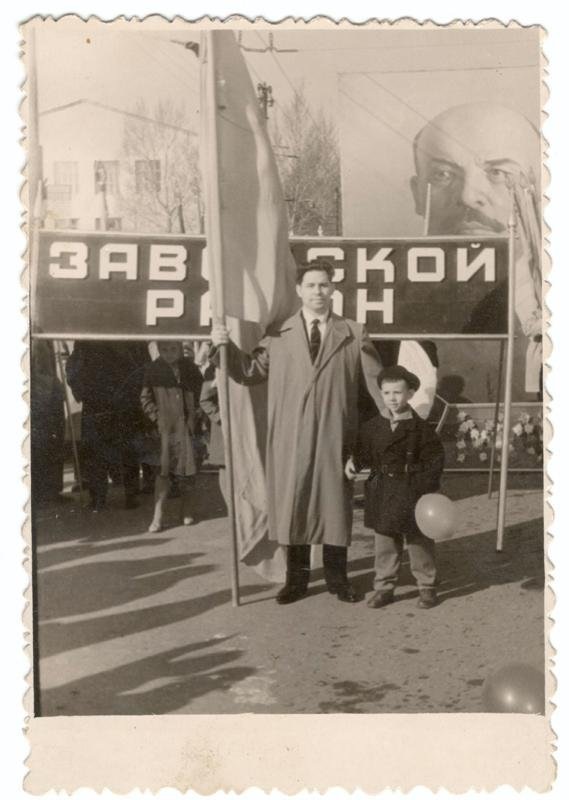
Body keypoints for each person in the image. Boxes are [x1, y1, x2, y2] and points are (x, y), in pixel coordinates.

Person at [210, 261, 383, 605]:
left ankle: (338, 579)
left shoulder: (353, 332)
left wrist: (386, 430)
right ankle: (296, 581)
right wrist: (223, 347)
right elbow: (249, 372)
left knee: (335, 510)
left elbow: (375, 388)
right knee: (294, 507)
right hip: (290, 440)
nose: (318, 291)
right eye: (311, 285)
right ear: (299, 290)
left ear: (333, 289)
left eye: (324, 285)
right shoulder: (278, 334)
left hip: (336, 437)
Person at [410, 102, 542, 399]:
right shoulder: (400, 316)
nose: (469, 196)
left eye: (498, 172)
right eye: (443, 175)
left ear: (538, 189)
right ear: (417, 194)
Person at [345, 365, 445, 609]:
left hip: (413, 490)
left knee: (419, 541)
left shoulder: (421, 430)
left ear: (410, 394)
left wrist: (424, 488)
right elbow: (363, 451)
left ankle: (427, 586)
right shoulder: (372, 427)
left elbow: (434, 461)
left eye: (398, 393)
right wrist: (354, 462)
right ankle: (384, 587)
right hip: (382, 491)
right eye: (387, 393)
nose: (392, 398)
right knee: (385, 542)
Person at [140, 340, 203, 533]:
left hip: (187, 428)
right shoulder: (153, 370)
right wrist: (156, 417)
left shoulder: (190, 368)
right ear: (158, 350)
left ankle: (187, 510)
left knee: (188, 473)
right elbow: (145, 398)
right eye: (164, 350)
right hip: (165, 429)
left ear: (181, 349)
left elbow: (200, 392)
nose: (169, 353)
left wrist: (197, 413)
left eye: (174, 349)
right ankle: (158, 516)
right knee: (163, 473)